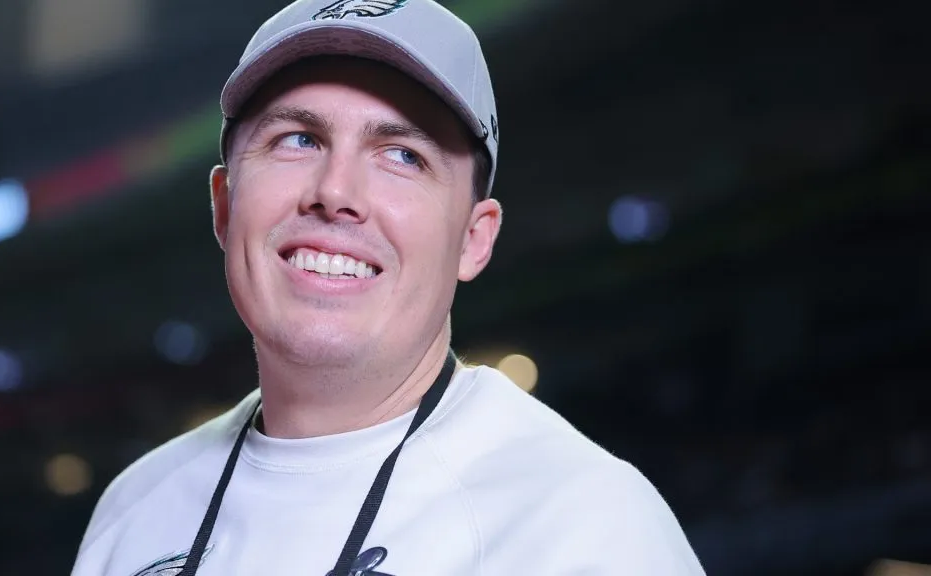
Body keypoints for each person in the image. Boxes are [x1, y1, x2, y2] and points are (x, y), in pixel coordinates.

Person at [70, 0, 706, 574]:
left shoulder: (585, 525)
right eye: (298, 139)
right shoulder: (133, 510)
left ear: (473, 239)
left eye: (403, 155)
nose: (335, 192)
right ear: (225, 205)